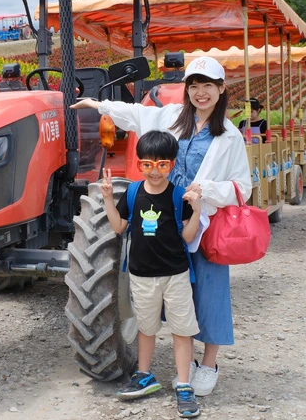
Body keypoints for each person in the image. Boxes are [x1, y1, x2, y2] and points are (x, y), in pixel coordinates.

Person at [70, 55, 252, 398]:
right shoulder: (171, 117)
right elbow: (134, 114)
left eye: (208, 86)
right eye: (194, 86)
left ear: (221, 90)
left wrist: (207, 190)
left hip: (202, 222)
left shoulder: (230, 137)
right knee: (171, 296)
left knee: (210, 295)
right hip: (166, 224)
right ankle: (169, 363)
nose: (200, 93)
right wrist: (97, 103)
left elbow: (243, 187)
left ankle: (208, 364)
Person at [104, 131, 202, 418]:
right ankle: (145, 375)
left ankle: (184, 384)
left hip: (175, 274)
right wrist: (109, 199)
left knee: (181, 330)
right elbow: (118, 227)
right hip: (141, 275)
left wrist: (196, 210)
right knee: (146, 328)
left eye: (162, 165)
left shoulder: (177, 195)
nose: (155, 171)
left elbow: (187, 234)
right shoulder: (133, 193)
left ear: (171, 164)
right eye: (147, 164)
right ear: (139, 164)